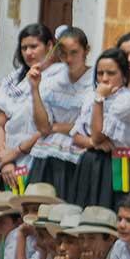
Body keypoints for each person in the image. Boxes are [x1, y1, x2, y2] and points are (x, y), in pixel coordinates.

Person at [68, 46, 130, 208]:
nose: (104, 79)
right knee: (84, 211)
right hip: (91, 160)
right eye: (100, 73)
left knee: (111, 211)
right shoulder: (91, 96)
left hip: (119, 164)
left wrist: (99, 99)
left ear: (124, 76)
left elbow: (97, 135)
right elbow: (76, 136)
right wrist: (92, 143)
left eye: (111, 73)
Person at [27, 27, 92, 201]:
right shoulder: (51, 80)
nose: (69, 59)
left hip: (77, 156)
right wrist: (35, 89)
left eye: (74, 52)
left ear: (86, 50)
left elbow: (89, 126)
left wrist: (55, 127)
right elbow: (42, 126)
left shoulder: (94, 81)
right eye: (64, 53)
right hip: (46, 154)